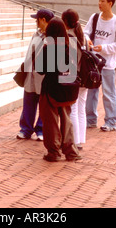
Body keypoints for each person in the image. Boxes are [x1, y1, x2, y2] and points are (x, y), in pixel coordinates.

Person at [36, 17, 82, 162]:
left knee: (50, 122)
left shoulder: (50, 46)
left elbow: (41, 70)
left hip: (52, 88)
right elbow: (75, 67)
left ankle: (53, 151)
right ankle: (71, 151)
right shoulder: (72, 43)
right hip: (68, 87)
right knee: (67, 120)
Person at [83, 0, 116, 131]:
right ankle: (90, 120)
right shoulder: (94, 18)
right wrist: (87, 39)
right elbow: (86, 32)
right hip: (93, 62)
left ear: (110, 3)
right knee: (91, 92)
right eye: (99, 0)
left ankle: (111, 122)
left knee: (108, 92)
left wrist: (104, 48)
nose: (99, 4)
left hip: (108, 64)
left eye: (102, 1)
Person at [16, 9, 54, 141]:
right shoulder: (36, 35)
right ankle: (25, 129)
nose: (36, 22)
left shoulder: (53, 36)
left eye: (37, 19)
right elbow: (29, 54)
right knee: (28, 102)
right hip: (31, 75)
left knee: (44, 105)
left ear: (43, 20)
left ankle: (41, 129)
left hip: (44, 77)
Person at [62, 9, 88, 150]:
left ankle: (75, 141)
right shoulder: (83, 36)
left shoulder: (68, 37)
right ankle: (80, 139)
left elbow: (68, 62)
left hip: (74, 77)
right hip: (85, 78)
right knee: (81, 109)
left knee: (73, 109)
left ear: (65, 21)